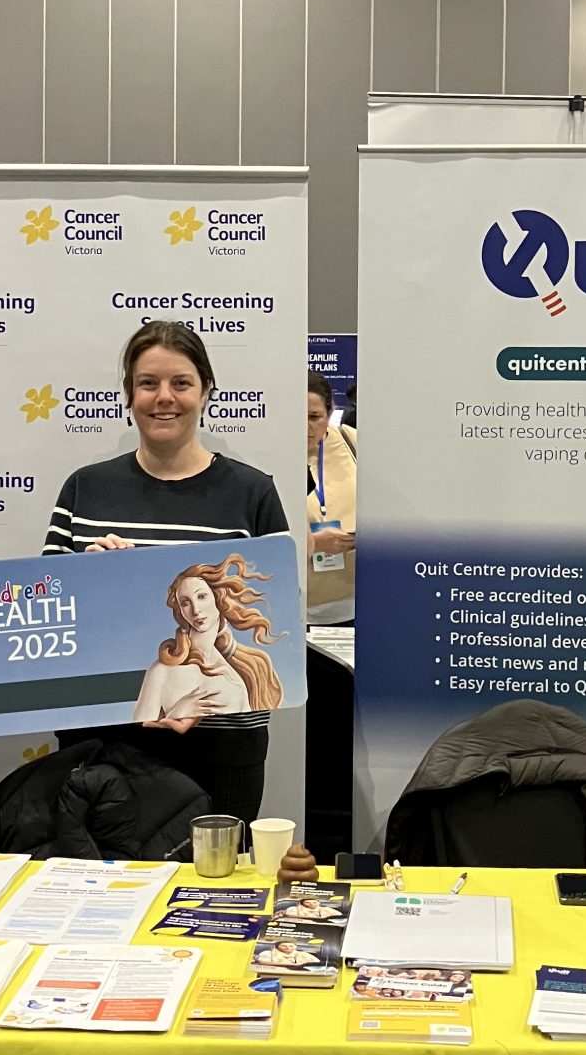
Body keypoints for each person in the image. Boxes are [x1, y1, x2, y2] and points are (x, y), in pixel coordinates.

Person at [42, 319, 288, 823]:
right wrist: (87, 579)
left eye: (181, 383)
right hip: (105, 744)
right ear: (129, 393)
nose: (164, 397)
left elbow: (277, 624)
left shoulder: (252, 493)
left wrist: (205, 697)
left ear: (206, 391)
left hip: (223, 746)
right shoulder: (84, 489)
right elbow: (48, 621)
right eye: (148, 383)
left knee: (216, 871)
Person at [133, 554, 284, 725]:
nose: (196, 610)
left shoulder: (238, 672)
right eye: (185, 603)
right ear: (180, 611)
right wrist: (176, 713)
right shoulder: (162, 671)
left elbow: (249, 728)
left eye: (201, 596)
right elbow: (136, 731)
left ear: (218, 598)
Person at [306, 370, 357, 623]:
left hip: (354, 602)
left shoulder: (352, 441)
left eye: (314, 417)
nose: (305, 427)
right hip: (293, 605)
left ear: (329, 413)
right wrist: (313, 544)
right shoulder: (267, 456)